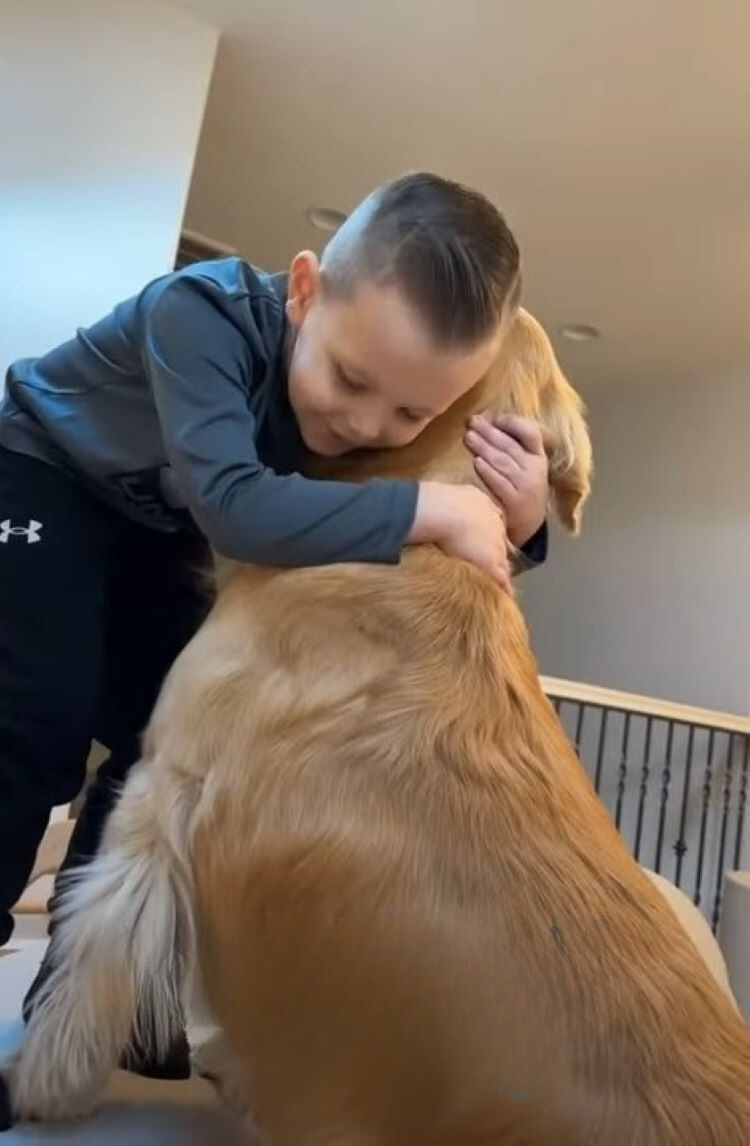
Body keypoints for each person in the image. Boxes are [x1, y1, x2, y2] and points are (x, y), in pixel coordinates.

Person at [0, 172, 549, 1074]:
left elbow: (376, 517)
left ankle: (99, 1000)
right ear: (302, 291)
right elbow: (238, 508)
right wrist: (432, 509)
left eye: (411, 413)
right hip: (41, 471)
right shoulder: (200, 312)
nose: (367, 425)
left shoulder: (352, 405)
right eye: (350, 378)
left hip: (150, 528)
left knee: (170, 737)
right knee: (34, 719)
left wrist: (518, 527)